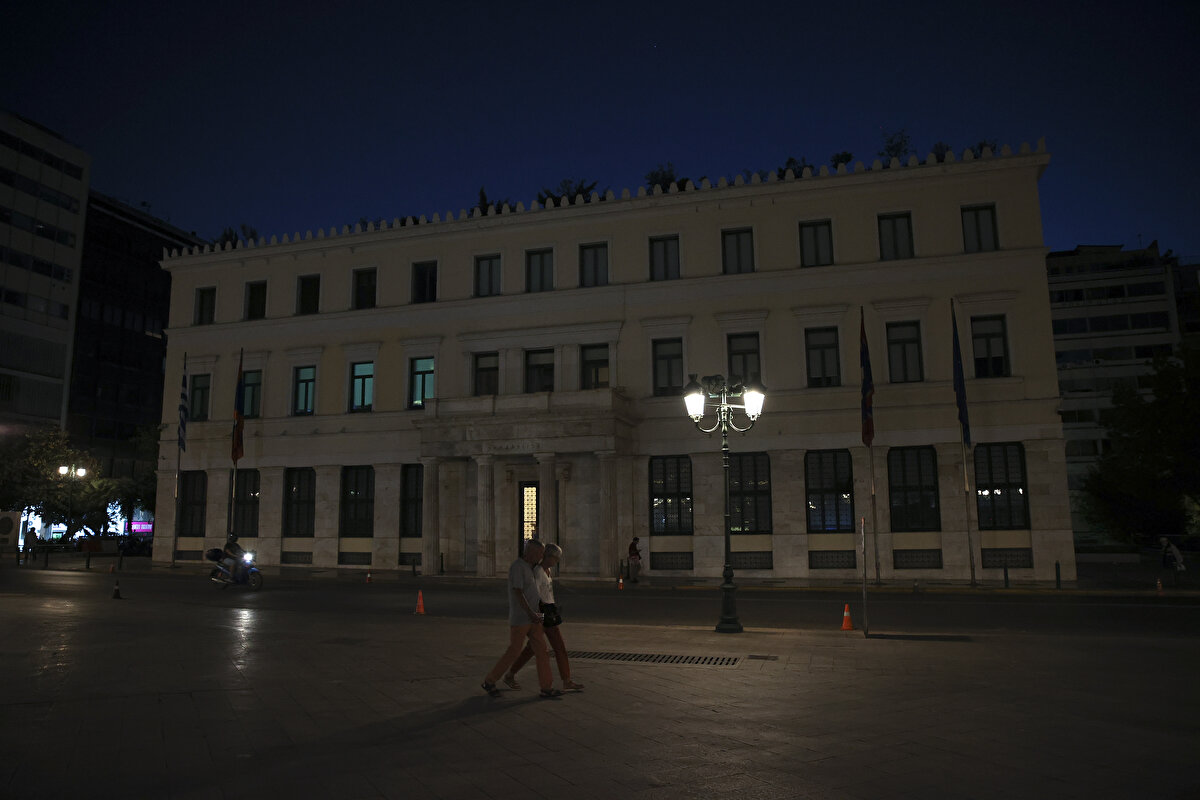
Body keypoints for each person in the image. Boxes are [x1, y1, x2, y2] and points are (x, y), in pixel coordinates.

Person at [482, 539, 562, 699]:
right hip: (521, 618)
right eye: (540, 553)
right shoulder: (518, 567)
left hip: (533, 619)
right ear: (530, 552)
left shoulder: (530, 567)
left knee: (542, 651)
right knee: (513, 651)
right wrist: (530, 612)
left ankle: (546, 688)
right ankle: (490, 681)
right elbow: (518, 592)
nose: (541, 557)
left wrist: (537, 613)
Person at [504, 543, 584, 692]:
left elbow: (547, 592)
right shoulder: (538, 571)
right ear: (548, 556)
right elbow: (533, 594)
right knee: (551, 648)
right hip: (543, 612)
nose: (557, 561)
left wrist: (553, 605)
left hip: (549, 610)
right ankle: (564, 680)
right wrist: (537, 613)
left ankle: (510, 674)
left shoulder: (547, 571)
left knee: (538, 648)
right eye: (556, 558)